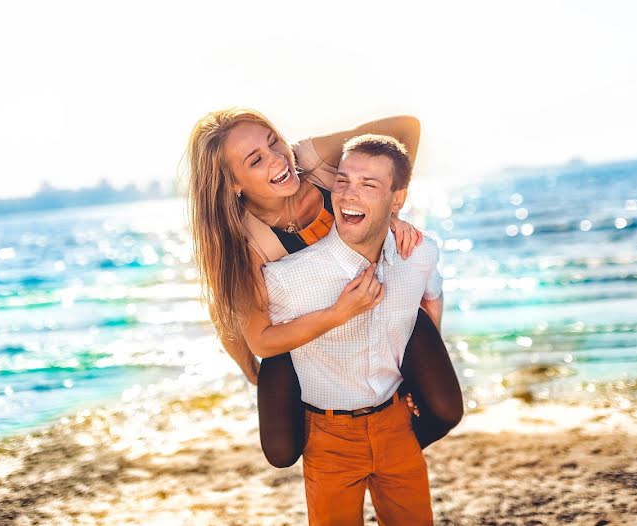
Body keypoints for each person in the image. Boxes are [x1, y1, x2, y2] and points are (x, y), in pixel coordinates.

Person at [184, 108, 462, 468]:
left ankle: (378, 452)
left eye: (274, 141)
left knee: (444, 411)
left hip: (377, 307)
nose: (278, 159)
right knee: (282, 452)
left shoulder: (313, 161)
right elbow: (253, 335)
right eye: (256, 160)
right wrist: (253, 373)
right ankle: (346, 450)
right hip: (305, 336)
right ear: (233, 183)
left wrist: (385, 212)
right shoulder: (241, 239)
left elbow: (406, 129)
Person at [263, 134, 438, 524]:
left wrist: (419, 381)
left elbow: (432, 296)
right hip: (327, 436)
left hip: (397, 423)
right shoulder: (287, 281)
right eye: (342, 180)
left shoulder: (419, 254)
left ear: (397, 201)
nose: (348, 194)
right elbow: (249, 331)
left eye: (368, 184)